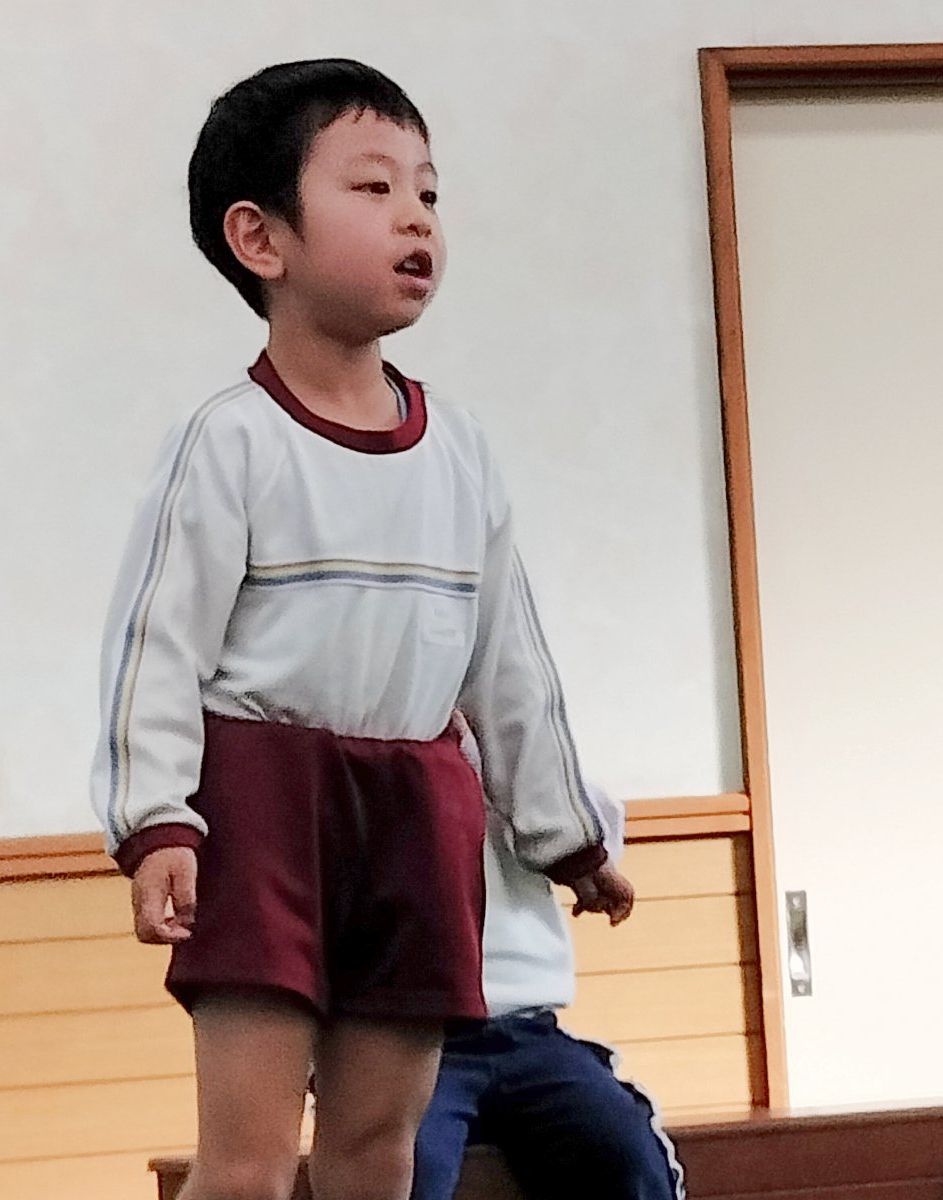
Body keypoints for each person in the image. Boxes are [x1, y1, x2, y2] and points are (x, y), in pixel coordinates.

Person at [89, 58, 626, 1200]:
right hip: (265, 810)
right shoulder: (229, 441)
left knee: (380, 1154)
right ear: (260, 238)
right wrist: (156, 822)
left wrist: (568, 834)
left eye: (427, 191)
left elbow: (510, 667)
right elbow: (155, 649)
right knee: (246, 1164)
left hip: (416, 813)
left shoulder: (461, 451)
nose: (416, 216)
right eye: (374, 188)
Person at [410, 715, 683, 1200]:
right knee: (408, 1166)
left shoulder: (517, 752)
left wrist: (508, 759)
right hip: (415, 1040)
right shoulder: (380, 752)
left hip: (529, 1030)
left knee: (626, 1149)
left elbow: (596, 831)